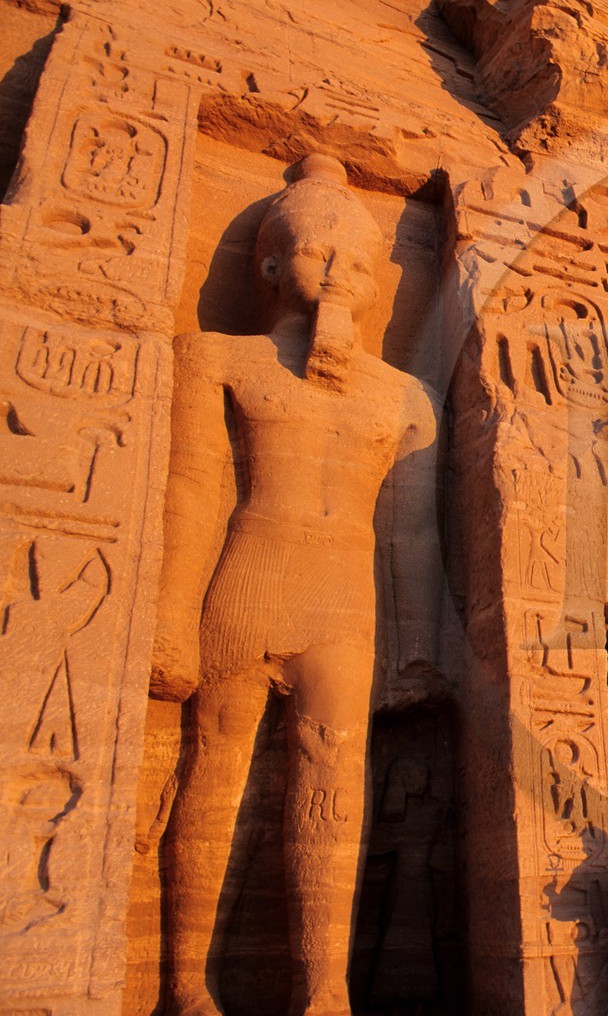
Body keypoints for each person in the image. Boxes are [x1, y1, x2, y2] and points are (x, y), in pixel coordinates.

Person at [150, 153, 441, 1016]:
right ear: (272, 265)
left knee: (334, 777)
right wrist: (171, 615)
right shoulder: (219, 359)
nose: (341, 273)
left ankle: (323, 989)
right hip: (247, 580)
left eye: (359, 263)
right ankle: (184, 983)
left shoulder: (405, 397)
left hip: (343, 602)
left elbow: (412, 533)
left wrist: (418, 649)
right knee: (214, 771)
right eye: (321, 252)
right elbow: (192, 490)